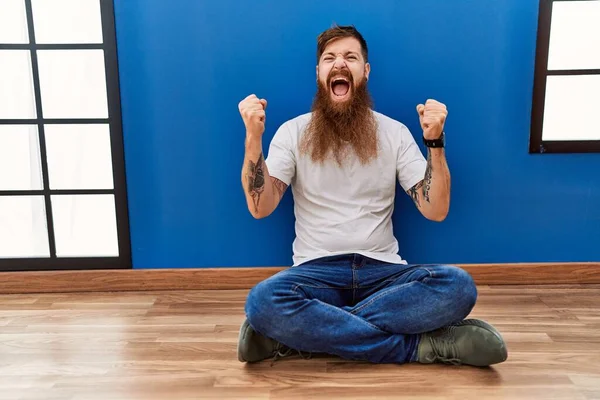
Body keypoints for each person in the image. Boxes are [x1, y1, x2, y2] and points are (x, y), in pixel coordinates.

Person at [236, 25, 507, 367]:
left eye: (350, 57)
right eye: (329, 58)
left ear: (365, 71)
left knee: (458, 286)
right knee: (263, 301)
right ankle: (421, 347)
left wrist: (435, 144)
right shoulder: (292, 132)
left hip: (384, 274)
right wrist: (253, 138)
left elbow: (435, 209)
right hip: (315, 273)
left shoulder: (394, 132)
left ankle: (305, 337)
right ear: (319, 72)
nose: (339, 64)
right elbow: (261, 207)